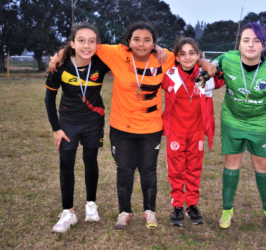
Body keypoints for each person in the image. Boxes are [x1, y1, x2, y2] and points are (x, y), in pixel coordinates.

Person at [48, 21, 216, 230]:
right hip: (121, 126)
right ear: (128, 41)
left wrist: (204, 62)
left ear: (154, 43)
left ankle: (150, 212)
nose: (141, 44)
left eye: (148, 40)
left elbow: (187, 56)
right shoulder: (116, 53)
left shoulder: (164, 57)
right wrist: (60, 53)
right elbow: (85, 45)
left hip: (151, 127)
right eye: (136, 39)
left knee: (148, 170)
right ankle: (124, 212)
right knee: (124, 170)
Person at [214, 22, 266, 230]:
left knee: (263, 166)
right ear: (238, 44)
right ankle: (227, 211)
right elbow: (203, 65)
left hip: (260, 123)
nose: (250, 45)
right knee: (232, 164)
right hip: (232, 120)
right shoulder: (227, 59)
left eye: (256, 41)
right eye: (246, 40)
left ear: (263, 45)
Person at [45, 22, 110, 233]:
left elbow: (129, 53)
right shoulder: (60, 66)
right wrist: (56, 128)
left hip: (93, 122)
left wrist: (155, 48)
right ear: (72, 43)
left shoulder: (101, 62)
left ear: (98, 44)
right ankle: (68, 212)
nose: (86, 45)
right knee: (66, 164)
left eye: (92, 41)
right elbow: (49, 99)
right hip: (68, 123)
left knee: (90, 162)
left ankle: (91, 203)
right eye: (81, 40)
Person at [162, 37, 225, 226]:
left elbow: (228, 66)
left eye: (192, 53)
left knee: (194, 170)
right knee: (176, 171)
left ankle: (191, 205)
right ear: (177, 57)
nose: (187, 57)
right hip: (175, 132)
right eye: (183, 54)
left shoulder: (207, 76)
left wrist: (205, 64)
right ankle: (177, 206)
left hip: (196, 133)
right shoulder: (169, 75)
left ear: (198, 55)